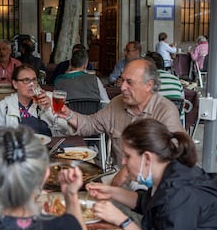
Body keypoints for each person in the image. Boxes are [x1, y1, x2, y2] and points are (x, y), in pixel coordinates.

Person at [86, 118, 217, 230]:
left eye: (127, 156)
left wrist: (121, 220)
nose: (123, 161)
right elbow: (146, 202)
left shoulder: (180, 193)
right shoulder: (171, 170)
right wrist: (110, 191)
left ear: (147, 158)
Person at [57, 58, 183, 187]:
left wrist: (127, 170)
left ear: (149, 85)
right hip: (117, 175)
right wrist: (68, 114)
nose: (122, 87)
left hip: (152, 182)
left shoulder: (165, 111)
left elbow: (172, 156)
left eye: (129, 82)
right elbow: (92, 124)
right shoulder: (117, 102)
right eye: (122, 80)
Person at [0, 64, 69, 136]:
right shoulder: (5, 105)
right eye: (26, 80)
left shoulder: (50, 98)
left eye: (34, 80)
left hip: (47, 149)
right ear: (15, 84)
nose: (32, 84)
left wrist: (48, 109)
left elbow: (64, 131)